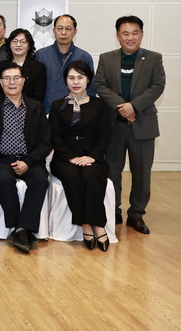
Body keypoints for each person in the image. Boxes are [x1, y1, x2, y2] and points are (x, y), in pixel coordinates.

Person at [95, 15, 165, 234]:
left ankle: (136, 215)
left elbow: (157, 86)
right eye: (125, 33)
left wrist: (134, 106)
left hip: (143, 124)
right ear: (118, 36)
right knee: (112, 171)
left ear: (141, 34)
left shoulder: (154, 58)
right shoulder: (107, 58)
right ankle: (113, 210)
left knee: (141, 173)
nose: (130, 37)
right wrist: (122, 107)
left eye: (135, 33)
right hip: (114, 125)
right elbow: (100, 85)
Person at [0, 61, 51, 254]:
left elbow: (45, 142)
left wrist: (28, 162)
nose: (12, 82)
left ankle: (22, 228)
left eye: (16, 78)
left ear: (23, 81)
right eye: (7, 78)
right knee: (4, 180)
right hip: (2, 159)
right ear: (0, 82)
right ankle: (18, 228)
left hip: (30, 159)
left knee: (41, 180)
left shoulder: (36, 107)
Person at [50, 61, 112, 252]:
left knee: (90, 176)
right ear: (66, 81)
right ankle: (86, 224)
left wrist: (92, 156)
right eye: (71, 78)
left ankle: (98, 225)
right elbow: (54, 136)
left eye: (80, 77)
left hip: (93, 156)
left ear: (88, 80)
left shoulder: (99, 104)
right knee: (71, 176)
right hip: (64, 158)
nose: (76, 82)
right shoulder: (57, 105)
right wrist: (70, 157)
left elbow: (105, 134)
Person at [35, 14, 96, 111]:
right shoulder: (40, 55)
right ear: (53, 31)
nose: (63, 32)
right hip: (46, 111)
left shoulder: (84, 57)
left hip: (76, 112)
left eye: (68, 29)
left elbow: (91, 89)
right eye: (60, 28)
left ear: (75, 32)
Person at [0, 28, 46, 103]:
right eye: (15, 41)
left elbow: (38, 95)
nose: (18, 45)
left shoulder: (38, 67)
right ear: (9, 45)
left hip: (30, 107)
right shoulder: (1, 66)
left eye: (23, 42)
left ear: (29, 45)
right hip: (4, 107)